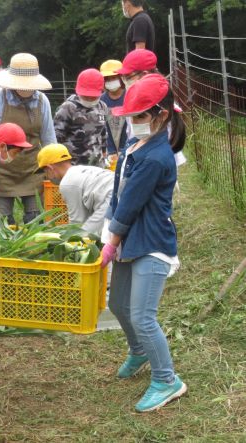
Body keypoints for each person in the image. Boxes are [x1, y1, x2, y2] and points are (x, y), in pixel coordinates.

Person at [101, 73, 187, 412]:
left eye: (139, 116)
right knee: (118, 305)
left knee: (142, 316)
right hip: (128, 238)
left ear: (161, 115)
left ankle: (167, 380)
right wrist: (111, 232)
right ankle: (139, 352)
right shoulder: (134, 146)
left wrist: (111, 241)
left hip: (150, 242)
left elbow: (131, 204)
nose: (133, 121)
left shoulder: (155, 157)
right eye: (130, 115)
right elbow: (117, 193)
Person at [0, 53, 57, 224]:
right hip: (1, 172)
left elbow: (49, 140)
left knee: (35, 221)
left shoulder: (42, 101)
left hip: (32, 171)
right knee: (2, 223)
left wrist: (54, 167)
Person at [116, 50, 187, 169]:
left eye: (128, 77)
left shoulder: (157, 103)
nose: (125, 82)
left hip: (151, 162)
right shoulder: (136, 96)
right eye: (123, 78)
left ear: (144, 74)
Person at [36, 144, 114, 236]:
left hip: (111, 200)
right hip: (122, 193)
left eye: (45, 172)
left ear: (50, 168)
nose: (47, 176)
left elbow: (77, 223)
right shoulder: (82, 170)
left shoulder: (67, 183)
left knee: (81, 235)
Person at [54, 68, 108, 167]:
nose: (90, 99)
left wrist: (104, 151)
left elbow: (103, 132)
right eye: (86, 96)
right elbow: (57, 137)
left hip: (96, 164)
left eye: (93, 97)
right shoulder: (68, 108)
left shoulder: (102, 106)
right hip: (74, 165)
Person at [100, 60, 127, 170]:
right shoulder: (101, 100)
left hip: (127, 145)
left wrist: (122, 149)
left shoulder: (129, 96)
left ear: (121, 77)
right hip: (109, 148)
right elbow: (103, 127)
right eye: (107, 79)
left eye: (114, 78)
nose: (111, 81)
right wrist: (110, 150)